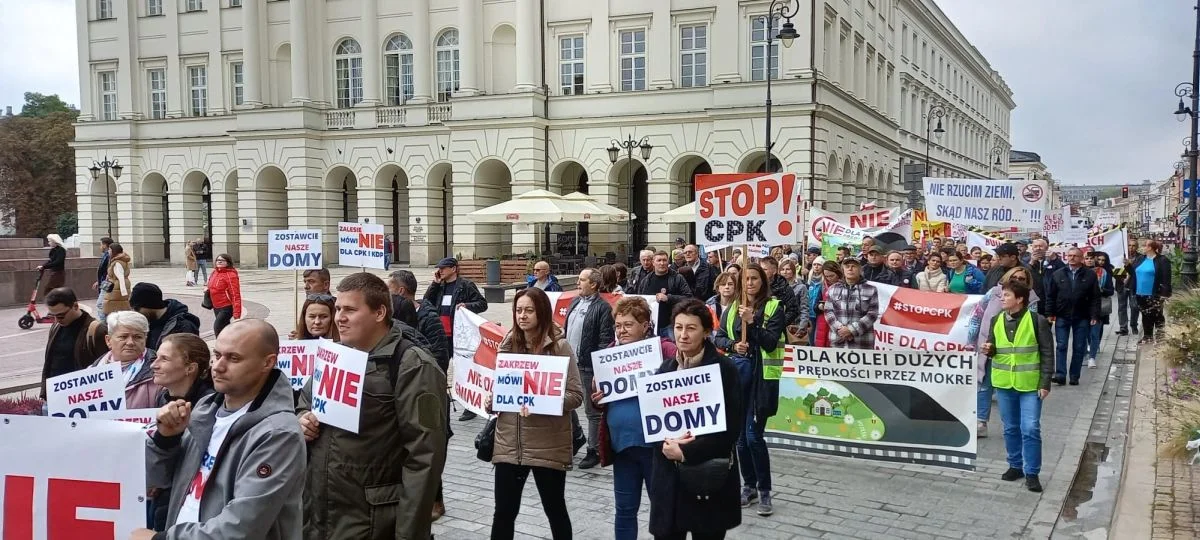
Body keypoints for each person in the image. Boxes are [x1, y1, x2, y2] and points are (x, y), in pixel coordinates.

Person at [298, 273, 448, 540]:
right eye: (339, 309)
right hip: (321, 514)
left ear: (379, 313)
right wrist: (303, 420)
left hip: (373, 521)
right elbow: (305, 403)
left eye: (350, 310)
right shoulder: (336, 354)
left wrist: (409, 532)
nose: (339, 318)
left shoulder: (412, 365)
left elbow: (425, 455)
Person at [131, 320, 304, 540]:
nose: (218, 366)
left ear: (267, 362)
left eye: (234, 358)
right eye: (217, 354)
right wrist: (165, 440)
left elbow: (242, 527)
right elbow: (153, 482)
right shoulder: (204, 410)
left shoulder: (278, 433)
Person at [489, 287, 584, 540]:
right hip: (510, 443)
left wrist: (544, 402)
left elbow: (576, 395)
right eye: (519, 310)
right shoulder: (507, 347)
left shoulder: (560, 346)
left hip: (547, 444)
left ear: (541, 312)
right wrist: (491, 400)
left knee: (554, 510)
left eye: (529, 310)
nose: (523, 316)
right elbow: (500, 390)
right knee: (504, 513)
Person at [648, 299, 745, 540]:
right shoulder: (666, 369)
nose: (683, 334)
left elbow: (731, 428)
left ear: (706, 332)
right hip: (671, 481)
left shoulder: (724, 369)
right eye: (678, 327)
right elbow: (653, 422)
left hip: (708, 478)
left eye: (691, 328)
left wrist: (687, 453)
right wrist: (665, 445)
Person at [592, 296, 679, 539]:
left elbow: (689, 366)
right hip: (622, 447)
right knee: (625, 510)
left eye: (628, 325)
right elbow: (600, 402)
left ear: (645, 324)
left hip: (656, 447)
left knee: (662, 511)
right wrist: (596, 398)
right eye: (618, 325)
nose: (622, 330)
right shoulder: (609, 354)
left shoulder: (663, 348)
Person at [712, 264, 786, 517]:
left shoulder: (774, 307)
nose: (751, 283)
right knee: (741, 440)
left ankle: (765, 490)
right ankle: (749, 486)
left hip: (761, 380)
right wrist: (734, 346)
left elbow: (770, 341)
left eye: (755, 278)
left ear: (763, 281)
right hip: (739, 378)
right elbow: (718, 336)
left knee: (754, 437)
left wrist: (752, 323)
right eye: (746, 279)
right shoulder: (733, 307)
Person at [981, 281, 1054, 493]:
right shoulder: (996, 319)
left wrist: (1045, 382)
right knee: (1010, 428)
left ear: (1020, 299)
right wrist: (990, 350)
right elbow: (996, 348)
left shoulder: (1037, 321)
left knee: (1030, 428)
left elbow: (1047, 353)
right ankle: (1015, 466)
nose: (1002, 299)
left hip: (1030, 384)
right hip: (1004, 383)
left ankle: (1032, 472)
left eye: (1006, 295)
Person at [147, 332, 216, 531]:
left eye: (164, 359)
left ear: (190, 368)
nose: (154, 365)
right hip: (163, 503)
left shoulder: (210, 410)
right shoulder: (164, 397)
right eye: (156, 357)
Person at [971, 267, 1038, 438]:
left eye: (1022, 279)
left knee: (1008, 390)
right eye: (1014, 277)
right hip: (988, 345)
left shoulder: (1031, 297)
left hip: (1016, 355)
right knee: (984, 385)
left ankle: (1016, 424)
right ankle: (980, 421)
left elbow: (1032, 325)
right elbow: (978, 314)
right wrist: (971, 338)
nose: (1017, 280)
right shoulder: (994, 292)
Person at [424, 257, 487, 420]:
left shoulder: (465, 285)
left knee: (463, 370)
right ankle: (439, 400)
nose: (440, 271)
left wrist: (468, 306)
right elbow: (426, 302)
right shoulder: (440, 286)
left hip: (459, 336)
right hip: (440, 335)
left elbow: (482, 303)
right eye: (439, 268)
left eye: (443, 268)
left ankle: (469, 406)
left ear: (453, 269)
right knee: (438, 368)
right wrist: (435, 284)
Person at [564, 267, 615, 470]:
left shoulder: (603, 308)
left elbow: (605, 340)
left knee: (592, 411)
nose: (577, 282)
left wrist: (598, 370)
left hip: (587, 366)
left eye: (581, 279)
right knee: (565, 404)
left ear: (593, 284)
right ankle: (577, 436)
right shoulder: (574, 302)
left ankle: (593, 450)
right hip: (569, 364)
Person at [1043, 248, 1100, 386]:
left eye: (1075, 256)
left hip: (1082, 316)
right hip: (1062, 315)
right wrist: (1050, 313)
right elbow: (1051, 296)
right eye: (1070, 255)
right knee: (1061, 345)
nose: (1072, 258)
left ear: (1081, 258)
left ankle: (1074, 375)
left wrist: (1094, 315)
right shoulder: (1058, 274)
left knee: (1079, 346)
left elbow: (1095, 297)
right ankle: (1060, 375)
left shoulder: (1090, 275)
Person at [39, 287, 109, 399]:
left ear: (75, 306)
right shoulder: (56, 326)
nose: (57, 320)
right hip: (54, 396)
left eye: (61, 316)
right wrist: (44, 393)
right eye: (53, 316)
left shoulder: (96, 330)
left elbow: (107, 370)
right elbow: (49, 362)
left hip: (81, 399)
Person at [92, 311, 162, 409]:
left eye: (137, 337)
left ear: (145, 339)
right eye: (123, 337)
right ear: (108, 340)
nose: (130, 342)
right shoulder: (91, 371)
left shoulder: (160, 371)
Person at [388, 270, 449, 370]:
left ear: (401, 291)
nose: (386, 293)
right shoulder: (393, 314)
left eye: (388, 289)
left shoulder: (429, 318)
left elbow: (440, 356)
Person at [634, 251, 693, 338]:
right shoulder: (646, 280)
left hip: (670, 325)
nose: (662, 263)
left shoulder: (677, 278)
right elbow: (639, 300)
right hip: (651, 326)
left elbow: (689, 298)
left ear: (668, 262)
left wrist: (669, 298)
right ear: (653, 262)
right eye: (659, 260)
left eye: (664, 260)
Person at [824, 258, 880, 350]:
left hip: (862, 343)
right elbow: (828, 312)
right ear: (843, 269)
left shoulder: (871, 289)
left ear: (860, 269)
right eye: (847, 266)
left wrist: (852, 330)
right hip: (838, 342)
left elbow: (872, 314)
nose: (850, 269)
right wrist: (840, 329)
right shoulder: (833, 289)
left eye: (853, 266)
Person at [130, 283, 202, 351]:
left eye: (136, 308)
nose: (136, 313)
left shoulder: (184, 326)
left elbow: (188, 357)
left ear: (149, 305)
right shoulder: (149, 322)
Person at [1127, 239, 1173, 343]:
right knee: (1145, 315)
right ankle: (1148, 336)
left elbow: (1166, 278)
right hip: (1140, 292)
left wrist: (1165, 294)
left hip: (1154, 292)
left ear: (1150, 247)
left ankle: (1160, 337)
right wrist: (1127, 265)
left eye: (1144, 245)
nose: (1142, 247)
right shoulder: (1141, 258)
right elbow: (1133, 272)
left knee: (1156, 314)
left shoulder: (1162, 260)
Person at [1085, 252, 1116, 368]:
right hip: (1082, 307)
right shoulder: (1079, 272)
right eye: (1086, 258)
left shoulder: (1103, 273)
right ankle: (1087, 349)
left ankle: (1092, 355)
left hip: (1097, 307)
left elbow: (1111, 291)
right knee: (1084, 332)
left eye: (1091, 258)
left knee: (1095, 331)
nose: (1089, 260)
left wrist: (1101, 290)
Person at [207, 254, 243, 337]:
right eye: (218, 260)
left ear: (228, 262)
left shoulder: (231, 275)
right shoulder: (214, 272)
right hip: (216, 305)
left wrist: (237, 314)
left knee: (218, 327)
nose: (219, 261)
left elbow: (235, 295)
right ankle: (232, 344)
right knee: (225, 328)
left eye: (222, 260)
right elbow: (210, 284)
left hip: (227, 306)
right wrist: (207, 288)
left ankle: (220, 346)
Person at [809, 261, 842, 347]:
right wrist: (820, 306)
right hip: (822, 321)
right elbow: (815, 307)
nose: (829, 279)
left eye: (832, 276)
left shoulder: (843, 286)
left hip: (838, 321)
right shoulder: (823, 286)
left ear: (838, 273)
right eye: (826, 276)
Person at [103, 242, 133, 315]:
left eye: (110, 250)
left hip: (116, 291)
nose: (108, 251)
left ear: (114, 251)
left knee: (111, 311)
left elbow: (121, 278)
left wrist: (124, 293)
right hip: (116, 289)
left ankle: (106, 324)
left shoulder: (117, 263)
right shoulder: (118, 261)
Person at [36, 234, 67, 298]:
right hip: (53, 272)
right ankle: (57, 303)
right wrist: (43, 266)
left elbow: (58, 262)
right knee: (56, 289)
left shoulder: (61, 250)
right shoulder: (52, 250)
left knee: (49, 289)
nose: (48, 243)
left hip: (59, 273)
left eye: (49, 241)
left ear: (54, 241)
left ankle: (54, 303)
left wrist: (44, 267)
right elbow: (50, 261)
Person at [93, 237, 113, 313]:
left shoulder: (108, 256)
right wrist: (98, 281)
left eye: (101, 244)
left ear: (105, 245)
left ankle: (104, 323)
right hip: (104, 282)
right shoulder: (105, 255)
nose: (100, 247)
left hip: (107, 283)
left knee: (100, 304)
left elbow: (107, 271)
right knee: (103, 303)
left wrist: (102, 281)